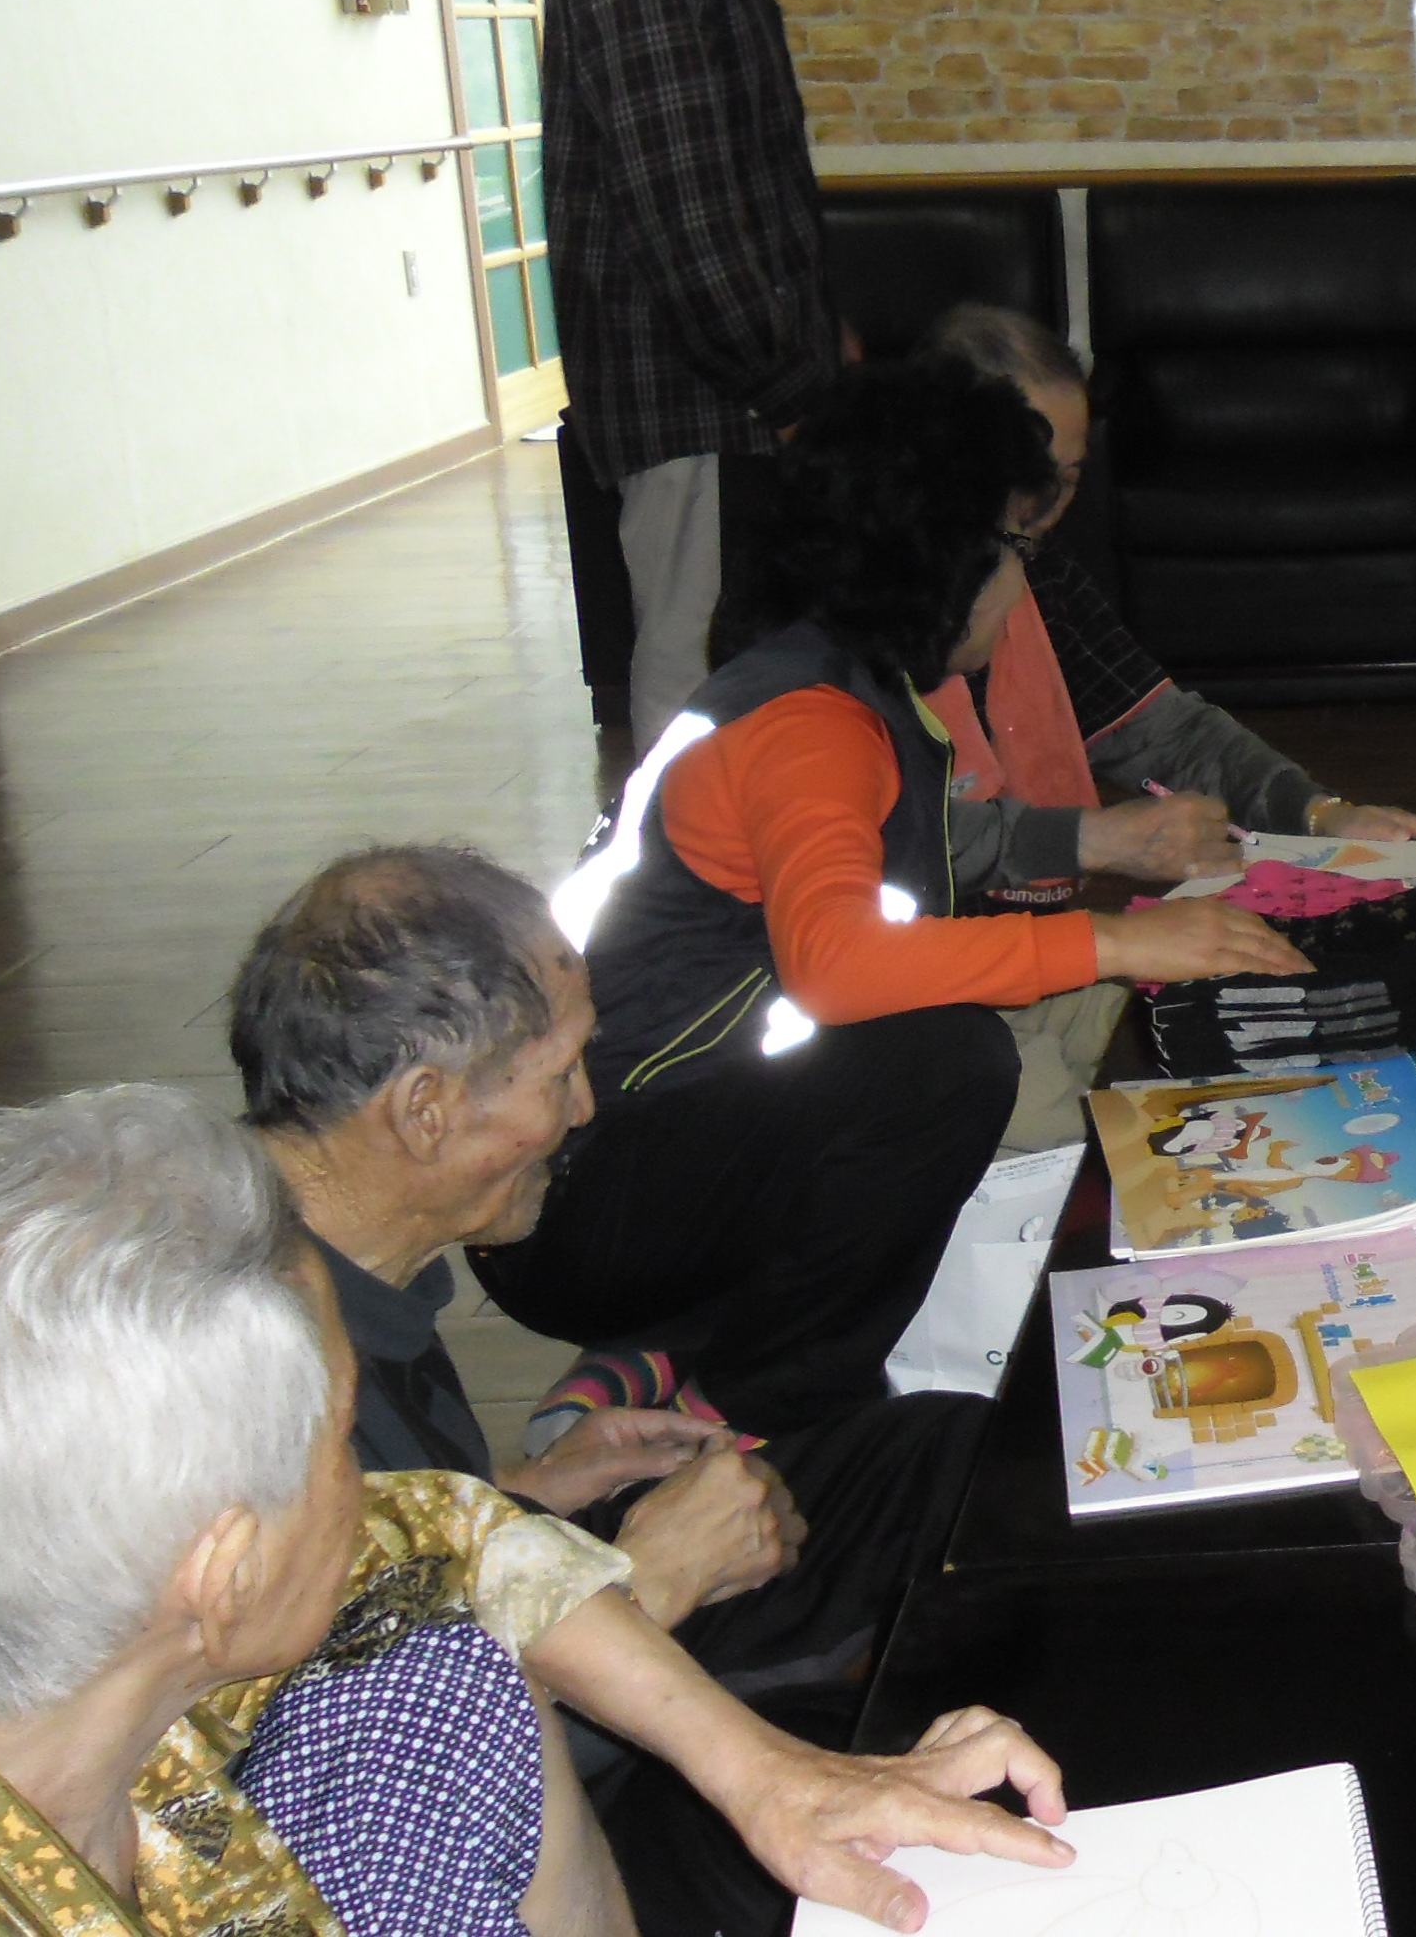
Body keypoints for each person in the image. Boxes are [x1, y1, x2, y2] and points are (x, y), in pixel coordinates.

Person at [0, 1085, 1080, 1937]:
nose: (369, 1480)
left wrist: (767, 1774)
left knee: (436, 1681)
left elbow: (446, 1533)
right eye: (338, 1441)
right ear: (225, 1571)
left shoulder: (74, 1643)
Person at [477, 359, 1309, 1449]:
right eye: (1012, 551)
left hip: (645, 1144)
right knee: (948, 1066)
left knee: (996, 1031)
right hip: (576, 1200)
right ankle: (754, 1408)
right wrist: (1114, 939)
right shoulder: (812, 724)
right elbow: (839, 969)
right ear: (939, 558)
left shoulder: (828, 681)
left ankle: (681, 1343)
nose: (1020, 587)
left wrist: (1107, 951)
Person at [231, 843, 1010, 1935]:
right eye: (557, 1076)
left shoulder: (336, 1256)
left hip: (524, 1629)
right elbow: (354, 1795)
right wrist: (653, 1579)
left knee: (938, 1455)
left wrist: (528, 1489)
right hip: (504, 1830)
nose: (585, 1110)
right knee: (879, 1817)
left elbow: (400, 1542)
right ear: (424, 1110)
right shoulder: (251, 1375)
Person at [913, 304, 1416, 1147]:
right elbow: (897, 844)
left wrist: (1319, 814)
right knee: (1102, 1137)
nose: (1047, 513)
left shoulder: (1034, 573)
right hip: (919, 998)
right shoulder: (857, 621)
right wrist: (1096, 845)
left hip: (1043, 965)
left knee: (1248, 1039)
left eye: (1070, 479)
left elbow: (1168, 732)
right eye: (1029, 482)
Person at [544, 0, 892, 752]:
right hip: (695, 389)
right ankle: (678, 859)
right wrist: (793, 394)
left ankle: (750, 850)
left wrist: (820, 339)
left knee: (756, 666)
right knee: (698, 673)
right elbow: (683, 206)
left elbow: (747, 169)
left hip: (736, 379)